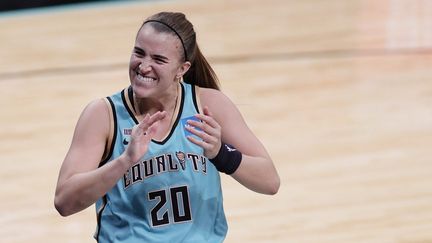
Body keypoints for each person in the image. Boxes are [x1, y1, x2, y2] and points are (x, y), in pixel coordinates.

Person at [54, 11, 280, 242]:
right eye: (139, 53)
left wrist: (220, 153)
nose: (143, 66)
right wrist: (124, 161)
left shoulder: (208, 105)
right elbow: (64, 201)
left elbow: (270, 181)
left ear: (182, 69)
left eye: (158, 59)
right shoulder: (103, 115)